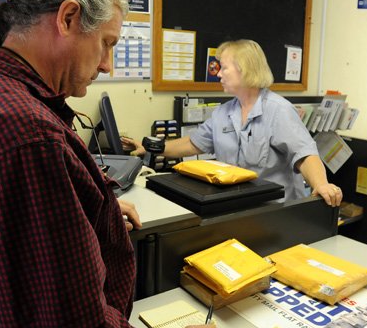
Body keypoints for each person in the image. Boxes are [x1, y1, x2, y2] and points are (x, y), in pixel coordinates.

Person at [0, 0, 213, 328]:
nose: (107, 64)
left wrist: (96, 209)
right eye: (107, 43)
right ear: (68, 18)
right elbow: (67, 320)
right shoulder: (27, 135)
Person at [125, 39, 343, 206]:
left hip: (276, 210)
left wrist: (321, 185)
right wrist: (151, 148)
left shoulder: (279, 111)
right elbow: (193, 144)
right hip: (236, 206)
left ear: (245, 69)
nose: (218, 74)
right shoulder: (223, 113)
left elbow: (304, 155)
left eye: (224, 67)